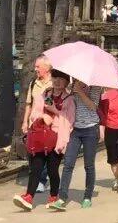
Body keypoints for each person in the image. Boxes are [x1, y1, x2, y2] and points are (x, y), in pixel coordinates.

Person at [15, 69, 74, 212]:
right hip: (41, 136)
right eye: (55, 78)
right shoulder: (45, 94)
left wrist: (54, 111)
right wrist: (42, 116)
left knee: (53, 170)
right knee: (35, 168)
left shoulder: (69, 99)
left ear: (66, 82)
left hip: (56, 138)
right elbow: (35, 112)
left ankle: (53, 196)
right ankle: (29, 197)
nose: (57, 81)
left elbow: (70, 120)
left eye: (61, 79)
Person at [58, 76, 102, 210]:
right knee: (68, 164)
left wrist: (80, 91)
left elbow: (93, 106)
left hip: (91, 128)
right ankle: (62, 197)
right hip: (75, 129)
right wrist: (72, 90)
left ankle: (87, 197)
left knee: (89, 165)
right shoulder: (72, 86)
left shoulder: (95, 87)